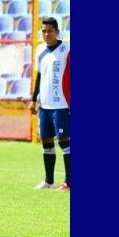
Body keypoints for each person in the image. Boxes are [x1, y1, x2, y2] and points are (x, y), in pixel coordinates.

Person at [29, 17, 70, 191]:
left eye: (50, 31)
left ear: (57, 32)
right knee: (46, 141)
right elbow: (39, 77)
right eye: (44, 31)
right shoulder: (40, 50)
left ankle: (69, 183)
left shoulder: (66, 50)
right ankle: (49, 181)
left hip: (61, 104)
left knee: (64, 142)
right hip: (44, 105)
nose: (46, 34)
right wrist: (33, 99)